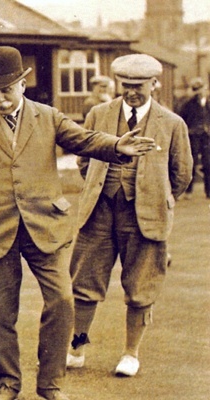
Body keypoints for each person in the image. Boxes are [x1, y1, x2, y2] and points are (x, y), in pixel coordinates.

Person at [0, 46, 157, 400]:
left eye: (6, 91)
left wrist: (117, 146)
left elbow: (84, 139)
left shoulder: (48, 116)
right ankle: (8, 384)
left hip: (45, 227)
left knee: (62, 301)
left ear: (22, 85)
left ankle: (50, 384)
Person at [67, 54, 193, 377]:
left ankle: (130, 353)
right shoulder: (98, 114)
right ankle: (77, 347)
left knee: (141, 285)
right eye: (126, 86)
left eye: (139, 86)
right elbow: (84, 161)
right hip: (99, 212)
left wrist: (155, 198)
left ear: (154, 84)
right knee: (84, 281)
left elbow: (181, 174)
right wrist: (101, 188)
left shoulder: (172, 124)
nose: (131, 92)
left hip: (144, 218)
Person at [177, 77, 210, 199]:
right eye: (197, 90)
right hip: (193, 136)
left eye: (201, 89)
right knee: (192, 163)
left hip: (206, 136)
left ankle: (209, 191)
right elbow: (181, 119)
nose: (200, 92)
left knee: (208, 163)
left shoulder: (208, 103)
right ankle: (188, 191)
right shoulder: (187, 104)